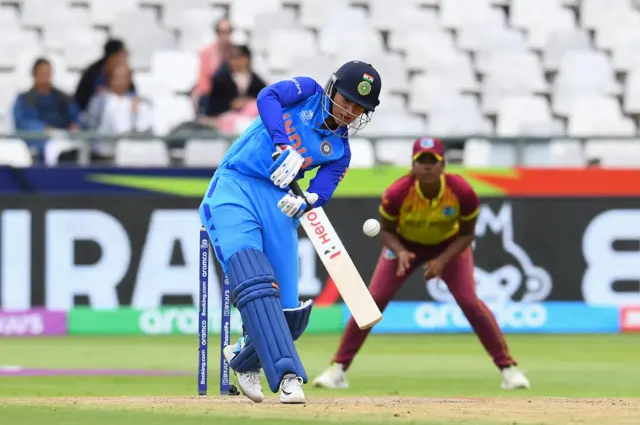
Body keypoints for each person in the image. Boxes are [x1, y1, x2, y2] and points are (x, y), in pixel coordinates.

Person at [199, 61, 382, 404]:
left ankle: (243, 359)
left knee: (290, 316)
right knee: (255, 278)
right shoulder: (307, 92)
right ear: (332, 89)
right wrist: (284, 146)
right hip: (236, 185)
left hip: (279, 202)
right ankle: (288, 375)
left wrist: (306, 202)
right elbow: (267, 97)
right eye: (347, 101)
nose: (350, 112)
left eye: (360, 109)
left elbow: (319, 193)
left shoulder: (340, 151)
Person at [312, 138, 531, 391]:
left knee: (470, 302)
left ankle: (509, 369)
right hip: (405, 246)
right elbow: (386, 232)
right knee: (371, 302)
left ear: (443, 165)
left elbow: (467, 235)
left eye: (432, 161)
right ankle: (338, 369)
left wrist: (441, 261)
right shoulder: (397, 193)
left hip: (448, 247)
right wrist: (401, 252)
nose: (427, 167)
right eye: (421, 161)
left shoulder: (461, 192)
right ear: (413, 165)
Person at [12, 57, 82, 161]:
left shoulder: (63, 98)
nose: (46, 76)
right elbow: (22, 123)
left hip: (65, 138)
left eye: (48, 73)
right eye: (42, 73)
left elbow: (76, 117)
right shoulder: (25, 99)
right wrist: (43, 129)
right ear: (34, 74)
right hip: (41, 142)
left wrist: (76, 125)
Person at [85, 63, 152, 155]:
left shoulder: (138, 101)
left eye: (124, 77)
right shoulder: (100, 100)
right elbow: (91, 124)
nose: (121, 80)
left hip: (129, 150)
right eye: (118, 77)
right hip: (103, 150)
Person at [201, 44, 267, 134]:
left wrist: (248, 102)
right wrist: (230, 104)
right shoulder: (220, 80)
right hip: (225, 123)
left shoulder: (257, 82)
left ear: (247, 59)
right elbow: (212, 107)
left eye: (240, 58)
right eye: (233, 58)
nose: (237, 62)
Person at [74, 38, 133, 112]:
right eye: (124, 54)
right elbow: (80, 103)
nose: (125, 58)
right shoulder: (93, 74)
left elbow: (133, 96)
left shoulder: (125, 74)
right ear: (113, 57)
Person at [191, 17, 235, 112]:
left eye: (228, 31)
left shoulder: (236, 53)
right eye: (222, 32)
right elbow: (203, 80)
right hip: (212, 95)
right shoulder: (206, 53)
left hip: (231, 95)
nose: (225, 35)